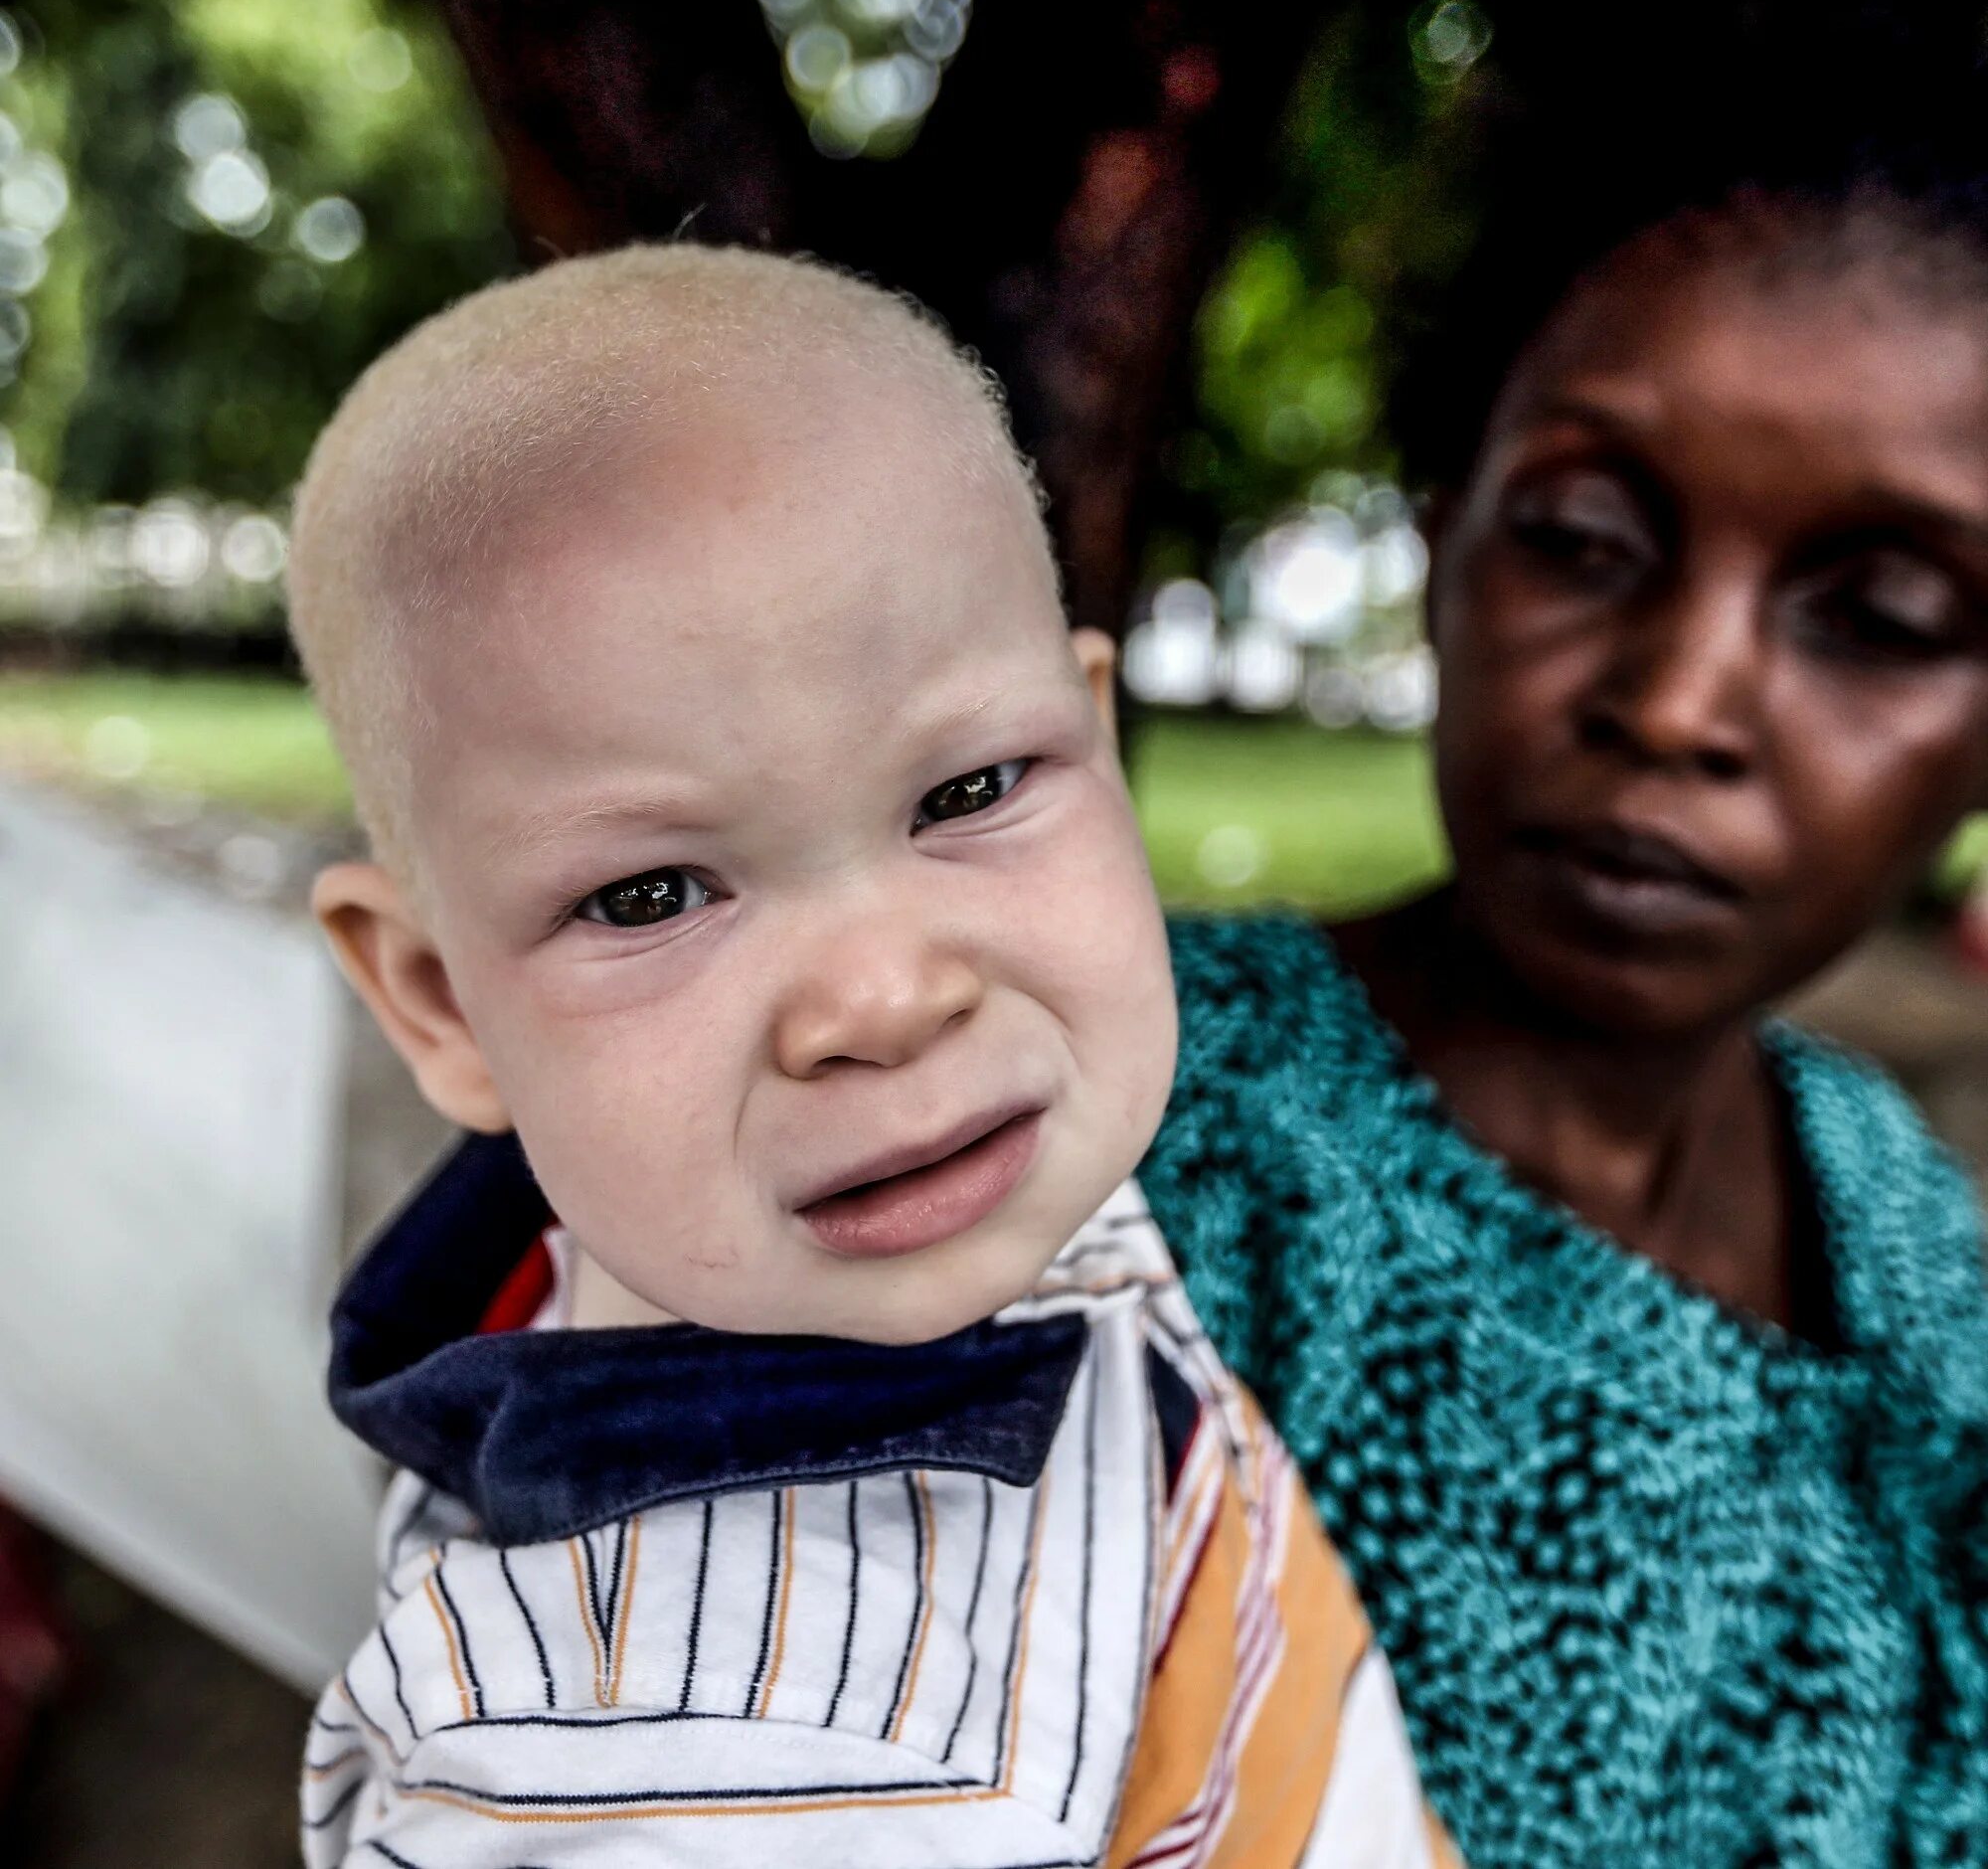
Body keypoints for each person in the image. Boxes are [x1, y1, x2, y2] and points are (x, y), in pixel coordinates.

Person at [288, 245, 1453, 1868]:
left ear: (1097, 749)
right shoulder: (672, 1784)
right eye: (650, 893)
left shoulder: (938, 1183)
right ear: (436, 1003)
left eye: (969, 792)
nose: (889, 998)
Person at [1141, 126, 1988, 1860]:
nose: (1682, 702)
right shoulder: (1119, 1140)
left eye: (1883, 615)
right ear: (1447, 547)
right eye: (1586, 537)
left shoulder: (1900, 1212)